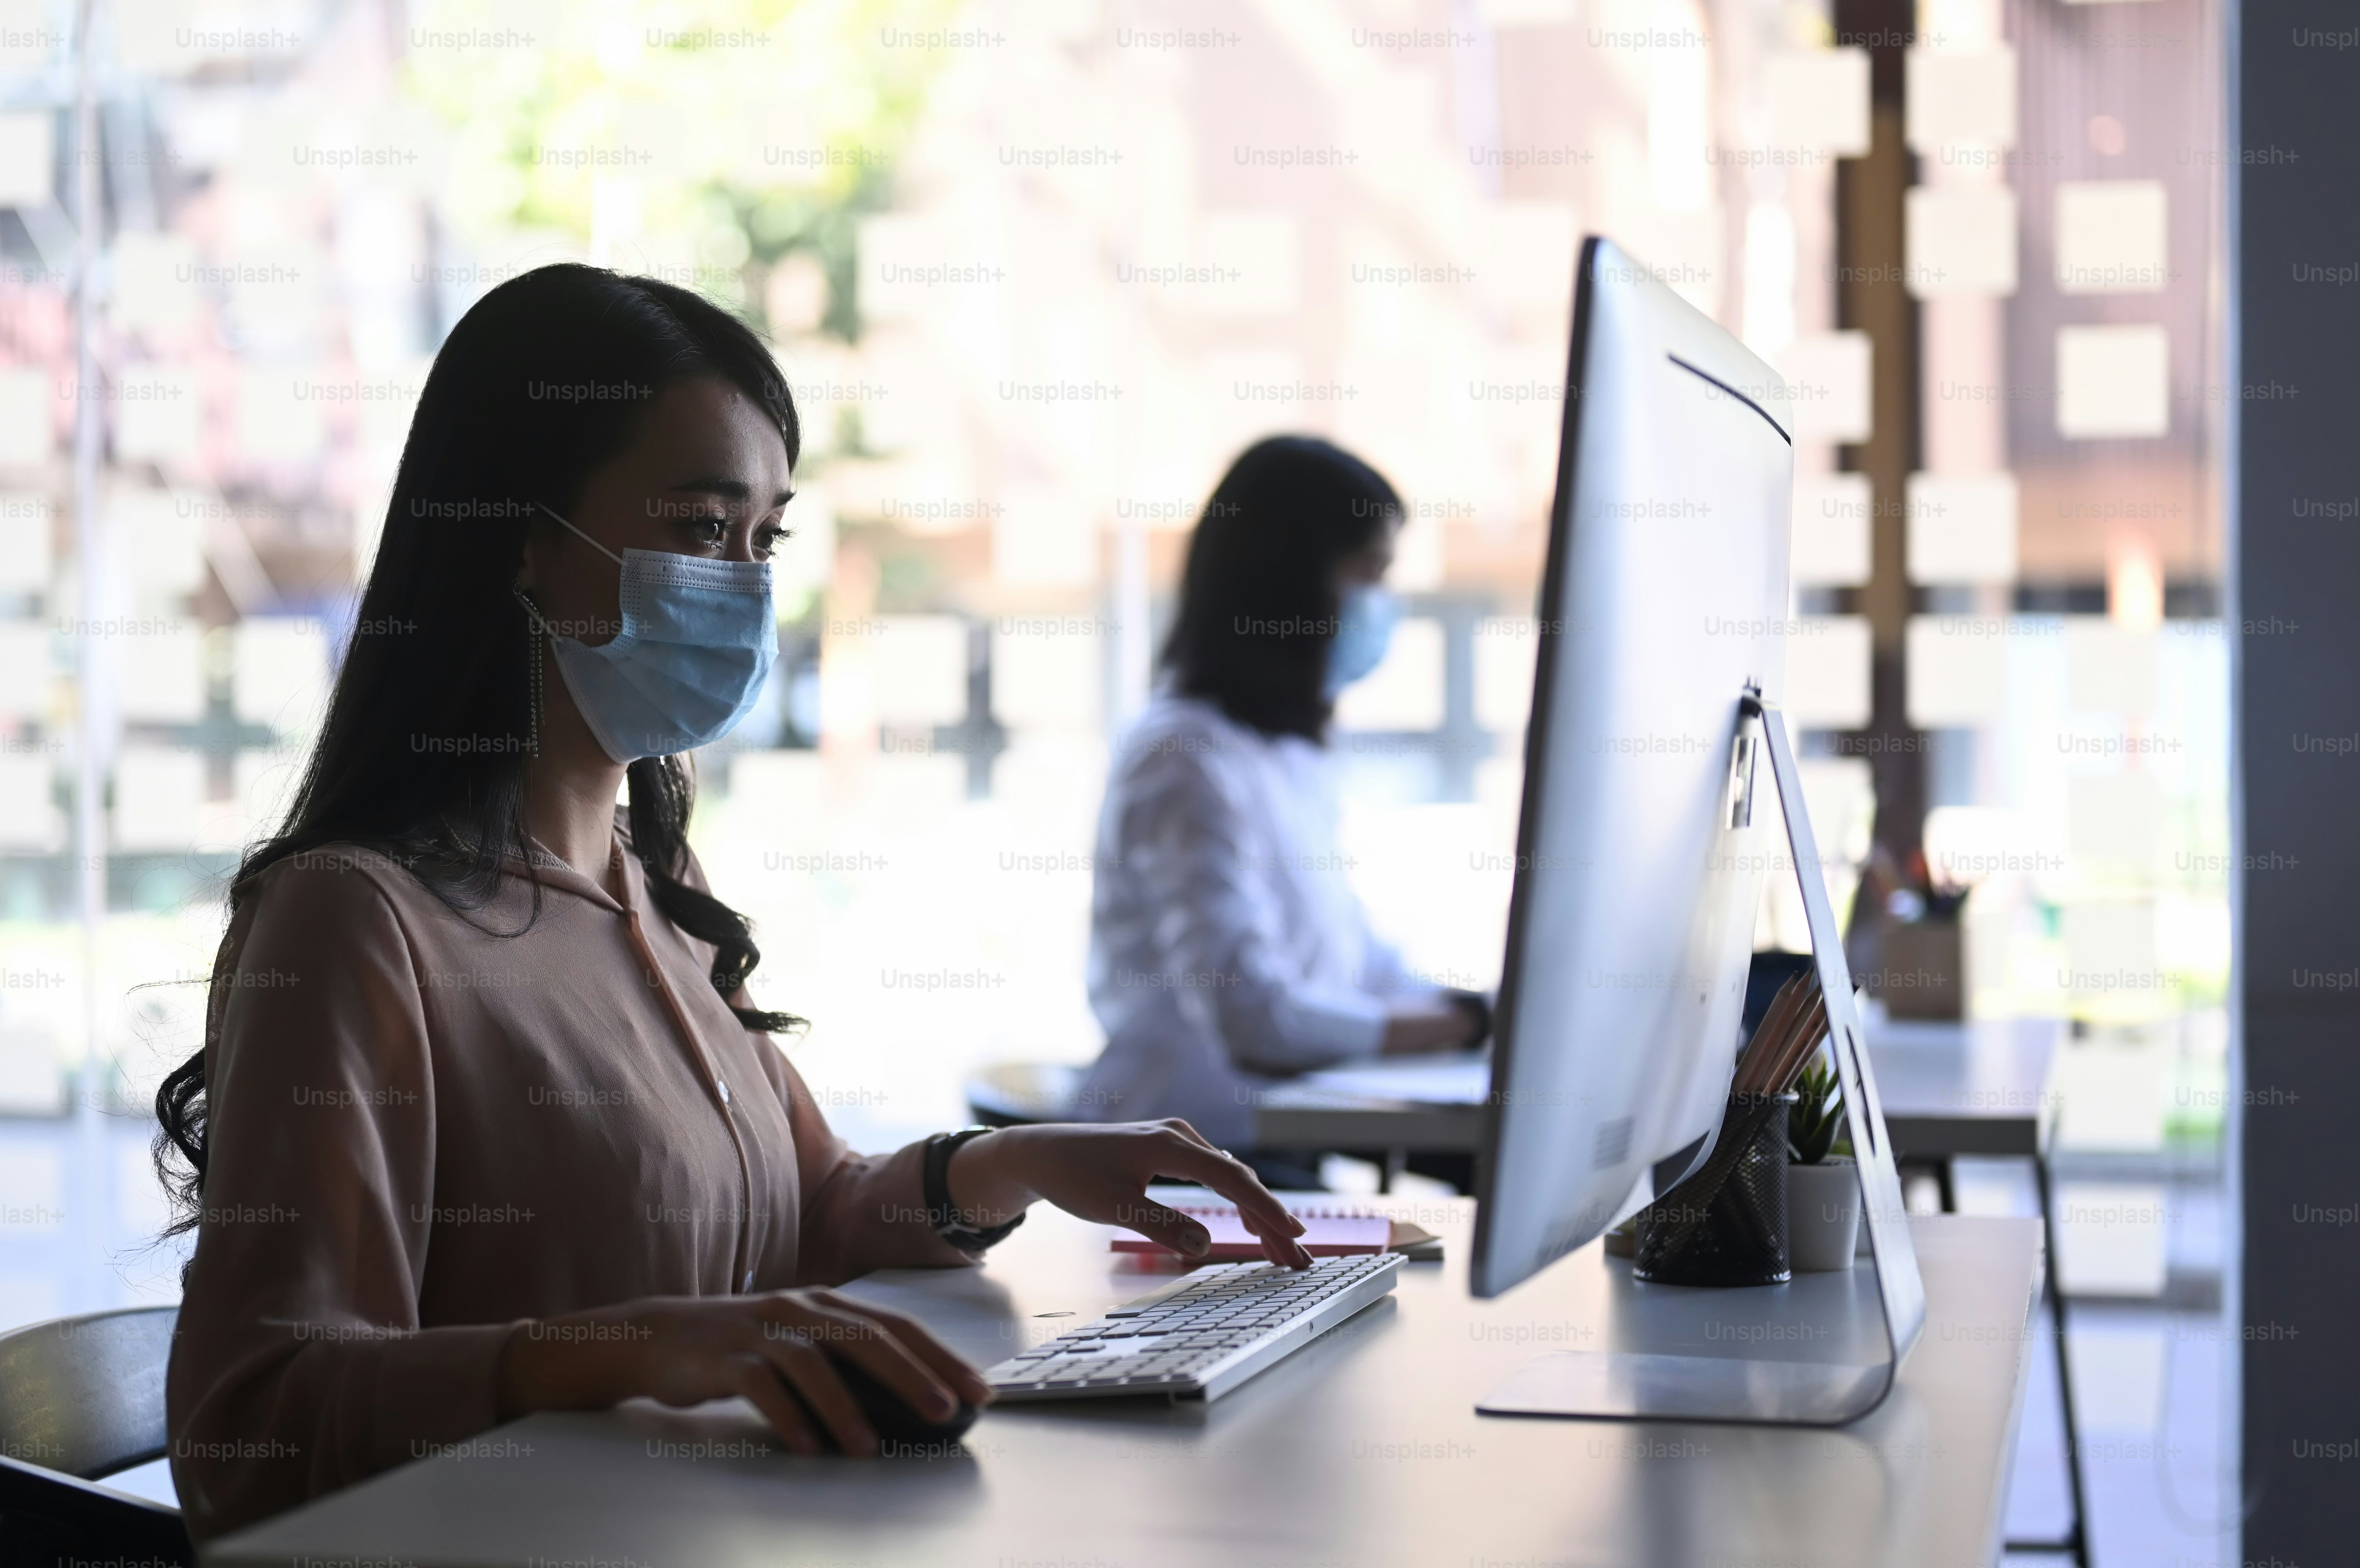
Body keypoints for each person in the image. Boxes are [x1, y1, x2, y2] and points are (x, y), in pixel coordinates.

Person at [154, 265, 1313, 1541]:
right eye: (701, 530)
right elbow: (250, 1428)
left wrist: (1018, 1162)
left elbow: (806, 1216)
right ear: (519, 540)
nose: (746, 584)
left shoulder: (657, 893)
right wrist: (622, 1350)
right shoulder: (353, 923)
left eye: (765, 538)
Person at [1077, 437, 1492, 1189]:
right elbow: (1258, 1021)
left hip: (1274, 1144)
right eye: (1371, 573)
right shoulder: (1183, 761)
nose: (1382, 605)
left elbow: (1354, 962)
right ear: (1290, 582)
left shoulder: (1281, 756)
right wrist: (1470, 1025)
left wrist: (1479, 1004)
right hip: (1189, 1167)